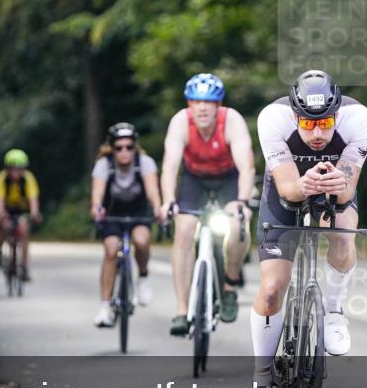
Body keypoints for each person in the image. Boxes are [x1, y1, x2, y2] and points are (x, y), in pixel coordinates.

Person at [250, 70, 367, 388]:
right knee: (273, 287)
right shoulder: (273, 119)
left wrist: (336, 185)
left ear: (338, 114)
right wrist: (302, 185)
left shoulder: (360, 120)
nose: (318, 132)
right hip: (287, 187)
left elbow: (347, 188)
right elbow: (289, 189)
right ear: (295, 116)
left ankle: (333, 311)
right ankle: (262, 378)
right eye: (307, 124)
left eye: (325, 122)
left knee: (343, 236)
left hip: (334, 188)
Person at [157, 73, 255, 337]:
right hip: (195, 179)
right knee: (185, 228)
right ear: (189, 103)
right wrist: (167, 201)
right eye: (196, 101)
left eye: (208, 102)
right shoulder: (180, 122)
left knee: (237, 225)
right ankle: (181, 310)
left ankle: (230, 285)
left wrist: (243, 202)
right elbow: (169, 167)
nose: (202, 108)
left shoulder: (231, 120)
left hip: (228, 178)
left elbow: (246, 166)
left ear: (218, 104)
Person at [91, 123, 163, 328]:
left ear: (135, 147)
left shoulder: (145, 163)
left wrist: (157, 208)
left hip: (138, 212)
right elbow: (97, 194)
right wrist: (96, 208)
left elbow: (152, 192)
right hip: (112, 213)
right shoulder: (104, 164)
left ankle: (143, 277)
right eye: (119, 148)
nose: (124, 152)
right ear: (111, 149)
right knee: (111, 250)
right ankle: (105, 306)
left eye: (129, 147)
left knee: (141, 241)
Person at [0, 149, 41, 280]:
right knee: (5, 226)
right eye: (12, 169)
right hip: (7, 209)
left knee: (24, 231)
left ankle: (24, 266)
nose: (15, 173)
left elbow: (33, 199)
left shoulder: (28, 179)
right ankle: (0, 251)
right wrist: (0, 213)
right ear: (7, 169)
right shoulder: (1, 179)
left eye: (19, 169)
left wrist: (35, 213)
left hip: (22, 210)